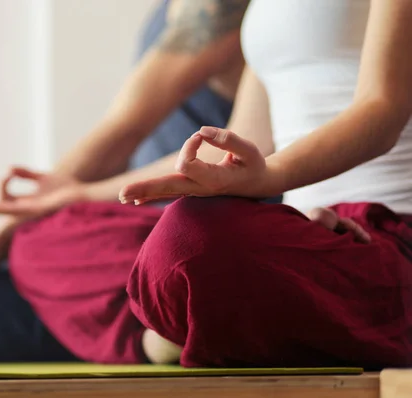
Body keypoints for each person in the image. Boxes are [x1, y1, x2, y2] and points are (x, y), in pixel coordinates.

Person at [0, 0, 263, 364]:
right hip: (148, 232)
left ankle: (165, 326)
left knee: (30, 248)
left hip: (199, 226)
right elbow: (122, 137)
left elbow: (126, 130)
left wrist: (3, 236)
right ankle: (160, 324)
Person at [121, 0, 412, 369]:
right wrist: (76, 195)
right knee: (54, 235)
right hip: (300, 230)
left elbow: (383, 108)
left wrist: (271, 176)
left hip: (389, 237)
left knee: (184, 240)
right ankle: (187, 320)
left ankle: (167, 329)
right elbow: (239, 142)